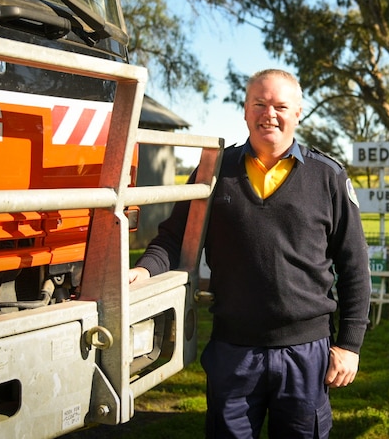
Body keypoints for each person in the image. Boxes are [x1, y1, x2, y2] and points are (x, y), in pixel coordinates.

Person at [128, 69, 371, 439]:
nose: (268, 114)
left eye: (279, 106)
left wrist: (349, 345)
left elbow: (354, 266)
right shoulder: (213, 172)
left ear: (298, 112)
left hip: (306, 353)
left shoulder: (328, 177)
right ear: (244, 110)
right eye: (259, 104)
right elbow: (174, 238)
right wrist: (144, 271)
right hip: (234, 352)